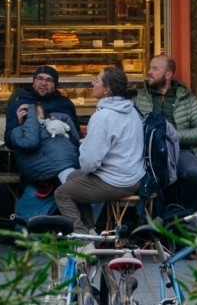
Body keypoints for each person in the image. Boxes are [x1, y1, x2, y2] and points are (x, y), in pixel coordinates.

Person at [54, 66, 145, 233]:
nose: (92, 83)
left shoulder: (102, 117)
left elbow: (89, 164)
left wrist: (85, 147)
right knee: (72, 178)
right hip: (134, 178)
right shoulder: (132, 110)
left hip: (114, 182)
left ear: (106, 90)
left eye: (96, 81)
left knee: (62, 194)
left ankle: (82, 241)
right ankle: (91, 229)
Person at [134, 55, 197, 211]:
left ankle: (185, 216)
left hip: (180, 149)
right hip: (148, 151)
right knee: (153, 176)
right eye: (150, 67)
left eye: (155, 68)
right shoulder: (138, 97)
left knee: (194, 173)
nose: (149, 72)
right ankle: (156, 222)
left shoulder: (187, 99)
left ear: (168, 75)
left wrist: (174, 135)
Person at [7, 99, 80, 219]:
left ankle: (83, 228)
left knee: (83, 193)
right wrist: (28, 120)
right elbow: (30, 142)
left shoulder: (52, 126)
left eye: (34, 113)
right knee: (76, 193)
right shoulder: (18, 131)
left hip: (63, 167)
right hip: (48, 173)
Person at [4, 65, 82, 149]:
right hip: (31, 155)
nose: (43, 83)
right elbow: (9, 142)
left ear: (55, 86)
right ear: (33, 83)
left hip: (61, 153)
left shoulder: (64, 103)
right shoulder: (20, 104)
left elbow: (76, 135)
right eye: (40, 78)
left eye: (49, 80)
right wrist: (19, 125)